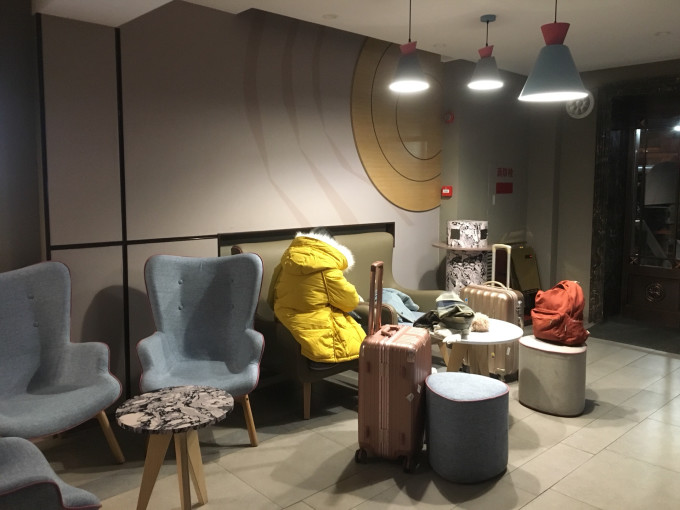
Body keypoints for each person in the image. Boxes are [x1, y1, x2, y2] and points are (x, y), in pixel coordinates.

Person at [268, 228, 365, 364]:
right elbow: (351, 302)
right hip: (318, 340)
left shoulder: (283, 264)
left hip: (285, 326)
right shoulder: (327, 270)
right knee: (363, 330)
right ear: (331, 244)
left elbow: (271, 298)